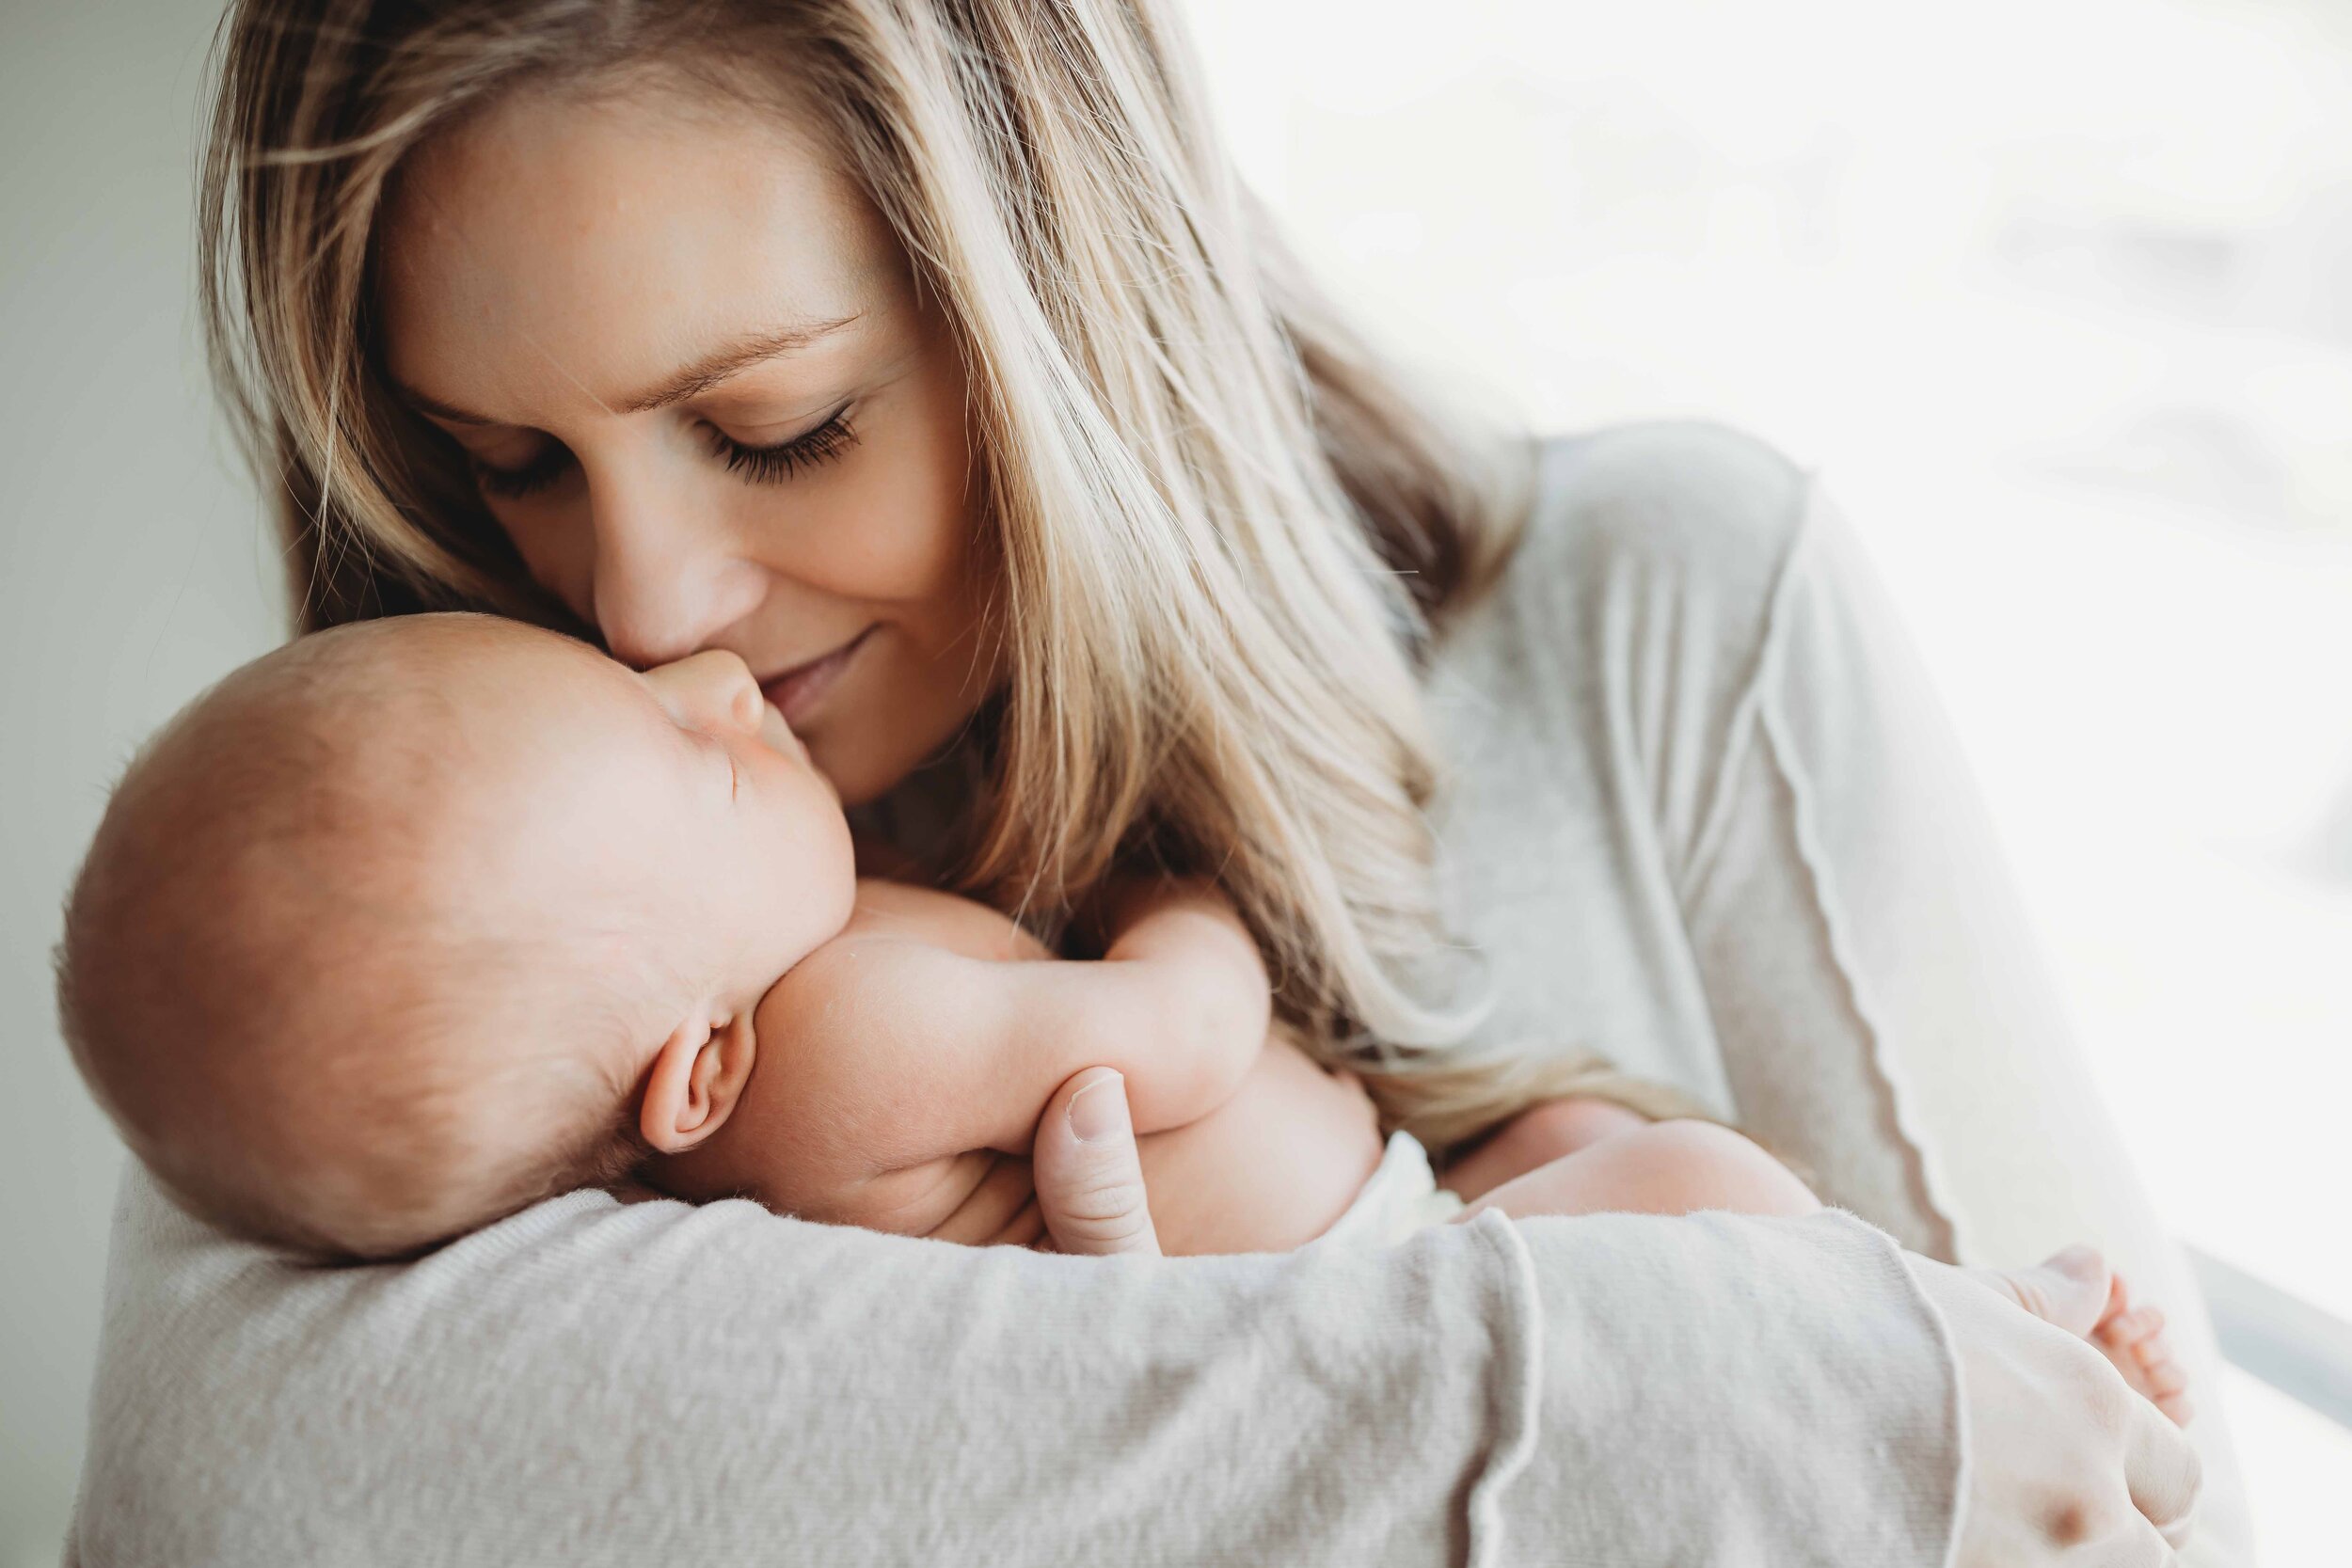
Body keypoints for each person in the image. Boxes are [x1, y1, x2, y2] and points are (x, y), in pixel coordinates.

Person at [65, 0, 2244, 1561]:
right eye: (508, 464)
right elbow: (244, 1497)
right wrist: (1715, 1395)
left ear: (1060, 317)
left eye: (779, 425)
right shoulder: (400, 926)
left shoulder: (1674, 614)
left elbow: (2121, 1510)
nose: (638, 612)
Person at [46, 608, 2201, 1440]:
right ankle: (1981, 1346)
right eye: (676, 754)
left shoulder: (768, 1034)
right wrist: (1178, 902)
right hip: (1402, 1269)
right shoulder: (849, 1035)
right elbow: (1169, 1047)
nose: (706, 679)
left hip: (1414, 1201)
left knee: (1593, 1161)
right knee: (1701, 1194)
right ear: (686, 1069)